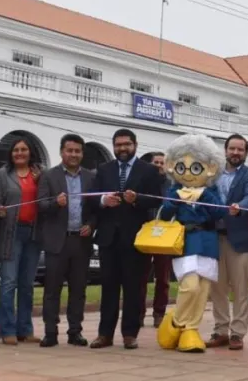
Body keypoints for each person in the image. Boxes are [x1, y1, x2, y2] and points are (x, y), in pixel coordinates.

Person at [91, 128, 163, 349]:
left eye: (126, 144)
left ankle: (130, 334)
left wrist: (137, 199)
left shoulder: (149, 170)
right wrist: (103, 201)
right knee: (109, 287)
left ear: (135, 145)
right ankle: (105, 334)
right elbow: (92, 198)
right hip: (108, 238)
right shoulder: (104, 169)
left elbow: (157, 199)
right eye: (118, 145)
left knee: (133, 288)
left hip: (135, 238)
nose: (122, 148)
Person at [156, 134, 227, 353]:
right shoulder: (174, 190)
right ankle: (176, 321)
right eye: (182, 167)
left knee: (203, 289)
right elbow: (165, 213)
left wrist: (203, 195)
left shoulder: (211, 191)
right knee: (190, 285)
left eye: (195, 168)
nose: (187, 173)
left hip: (207, 241)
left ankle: (191, 329)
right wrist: (176, 199)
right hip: (185, 241)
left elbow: (219, 212)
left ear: (210, 168)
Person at [37, 134, 96, 347]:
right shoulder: (49, 176)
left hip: (80, 241)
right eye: (69, 150)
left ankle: (75, 331)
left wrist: (92, 225)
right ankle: (50, 332)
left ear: (82, 153)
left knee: (78, 290)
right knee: (52, 290)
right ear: (62, 152)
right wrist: (55, 203)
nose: (73, 154)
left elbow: (95, 208)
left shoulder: (90, 177)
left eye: (77, 151)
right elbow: (41, 205)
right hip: (57, 241)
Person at [207, 134, 248, 350]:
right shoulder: (213, 173)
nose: (236, 153)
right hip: (214, 237)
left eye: (240, 149)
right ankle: (221, 331)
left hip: (240, 240)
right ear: (225, 150)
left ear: (246, 153)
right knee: (217, 288)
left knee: (241, 290)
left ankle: (237, 333)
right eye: (232, 148)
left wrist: (240, 207)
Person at [0, 137, 43, 345]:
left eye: (23, 149)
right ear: (11, 153)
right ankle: (7, 330)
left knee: (27, 284)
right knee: (9, 283)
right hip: (11, 233)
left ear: (30, 152)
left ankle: (25, 329)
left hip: (33, 234)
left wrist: (40, 182)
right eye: (16, 150)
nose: (19, 153)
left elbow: (46, 198)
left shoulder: (40, 173)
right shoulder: (2, 174)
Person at [138, 151, 172, 328]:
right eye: (155, 162)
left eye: (162, 163)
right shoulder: (142, 182)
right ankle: (139, 313)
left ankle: (159, 313)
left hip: (164, 235)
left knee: (163, 278)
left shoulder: (171, 184)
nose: (159, 165)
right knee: (140, 277)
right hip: (144, 233)